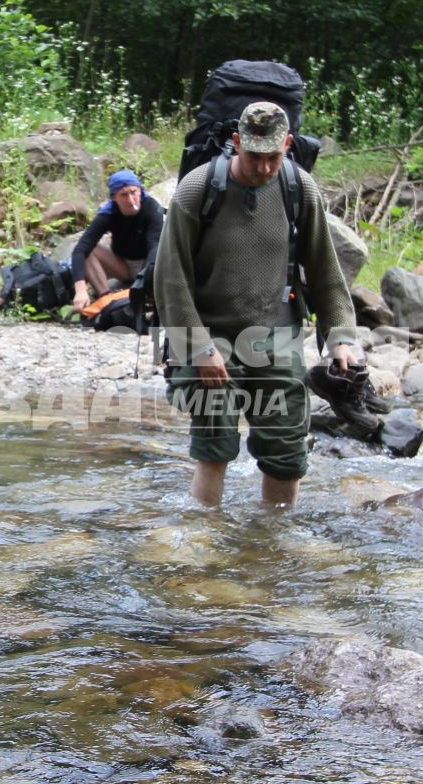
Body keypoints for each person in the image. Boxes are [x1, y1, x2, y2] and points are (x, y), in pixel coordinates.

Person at [152, 101, 362, 508]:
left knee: (286, 454)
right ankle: (206, 542)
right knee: (215, 447)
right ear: (235, 144)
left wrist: (341, 337)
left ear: (287, 145)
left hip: (277, 338)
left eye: (274, 157)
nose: (264, 168)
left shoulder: (298, 187)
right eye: (254, 157)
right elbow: (170, 280)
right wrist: (198, 348)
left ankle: (273, 548)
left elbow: (325, 272)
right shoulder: (197, 190)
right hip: (210, 335)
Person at [70, 170, 165, 309]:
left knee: (161, 253)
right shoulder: (108, 213)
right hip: (124, 265)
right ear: (114, 198)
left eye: (134, 192)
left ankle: (149, 297)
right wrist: (80, 290)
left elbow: (155, 246)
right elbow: (80, 249)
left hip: (151, 265)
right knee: (90, 250)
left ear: (140, 191)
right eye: (124, 195)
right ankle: (106, 298)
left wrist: (143, 279)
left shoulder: (151, 208)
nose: (131, 199)